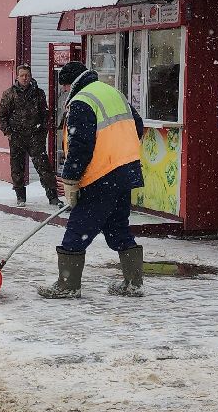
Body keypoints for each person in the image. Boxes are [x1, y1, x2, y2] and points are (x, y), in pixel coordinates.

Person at [39, 61, 147, 300]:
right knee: (118, 228)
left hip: (101, 176)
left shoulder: (81, 101)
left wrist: (71, 180)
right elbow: (137, 126)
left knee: (78, 230)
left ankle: (68, 285)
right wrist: (119, 153)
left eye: (65, 87)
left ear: (70, 84)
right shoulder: (113, 93)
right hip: (125, 173)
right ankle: (133, 283)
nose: (66, 92)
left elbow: (80, 145)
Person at [0, 65, 60, 207]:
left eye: (27, 75)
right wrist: (8, 132)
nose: (25, 78)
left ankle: (53, 196)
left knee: (44, 167)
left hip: (35, 136)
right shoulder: (9, 94)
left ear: (30, 76)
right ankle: (20, 197)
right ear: (17, 77)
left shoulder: (39, 93)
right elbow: (2, 115)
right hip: (16, 137)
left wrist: (43, 132)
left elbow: (45, 115)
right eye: (22, 75)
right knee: (17, 168)